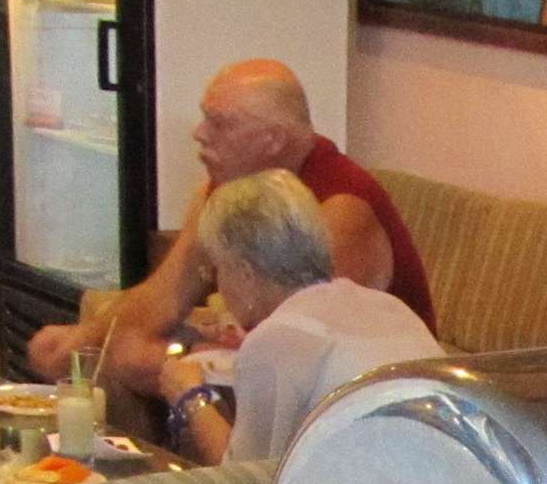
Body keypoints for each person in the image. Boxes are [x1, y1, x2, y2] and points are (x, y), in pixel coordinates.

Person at [23, 59, 435, 423]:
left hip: (353, 393)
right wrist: (81, 341)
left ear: (272, 140)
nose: (199, 134)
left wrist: (196, 354)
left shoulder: (340, 208)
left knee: (140, 358)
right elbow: (164, 295)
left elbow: (300, 349)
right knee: (127, 349)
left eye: (219, 123)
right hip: (265, 352)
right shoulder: (227, 189)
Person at [156, 170, 443, 467]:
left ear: (245, 274)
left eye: (217, 268)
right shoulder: (390, 307)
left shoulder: (275, 339)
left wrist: (190, 396)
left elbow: (246, 478)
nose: (217, 284)